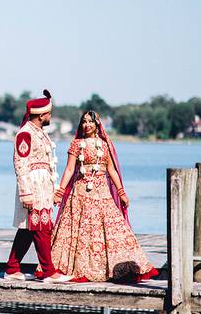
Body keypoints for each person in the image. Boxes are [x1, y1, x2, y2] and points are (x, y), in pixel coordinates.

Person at [50, 110, 158, 283]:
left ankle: (121, 267)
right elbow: (70, 169)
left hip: (102, 194)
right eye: (84, 122)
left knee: (114, 229)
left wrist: (122, 192)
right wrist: (60, 192)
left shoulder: (104, 145)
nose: (87, 125)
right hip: (80, 194)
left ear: (97, 124)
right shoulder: (76, 144)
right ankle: (79, 268)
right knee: (82, 232)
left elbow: (111, 170)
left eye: (90, 122)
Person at [5, 90, 71, 282]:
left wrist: (54, 189)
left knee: (29, 228)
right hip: (33, 184)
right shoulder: (25, 134)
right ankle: (49, 272)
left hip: (43, 184)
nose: (50, 116)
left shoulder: (39, 133)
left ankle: (11, 268)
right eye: (49, 113)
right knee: (41, 227)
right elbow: (21, 163)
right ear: (42, 115)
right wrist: (26, 193)